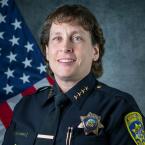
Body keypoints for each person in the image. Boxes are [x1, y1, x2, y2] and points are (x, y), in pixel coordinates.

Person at [2, 4, 145, 145]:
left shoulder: (118, 107)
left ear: (95, 52)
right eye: (57, 38)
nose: (65, 47)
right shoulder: (25, 107)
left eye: (76, 38)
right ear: (47, 51)